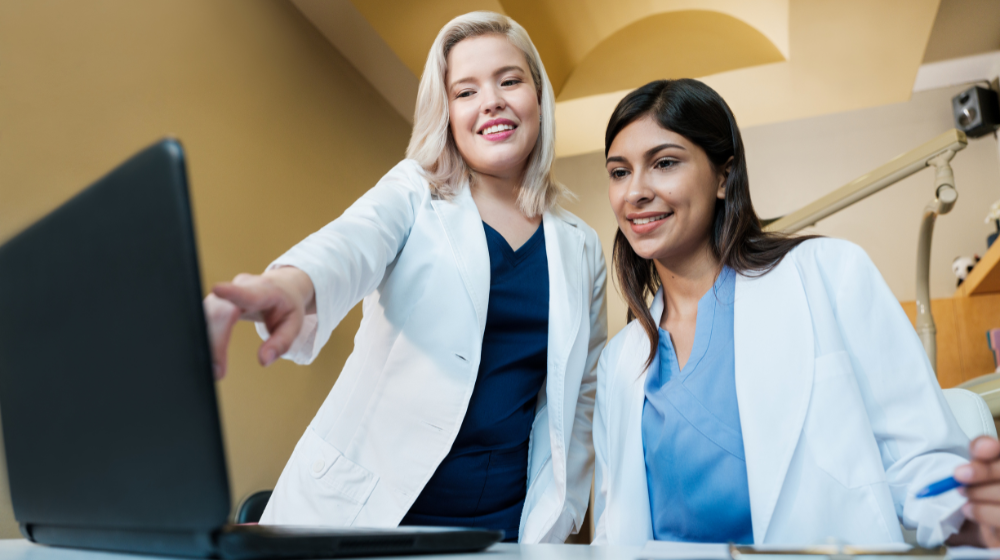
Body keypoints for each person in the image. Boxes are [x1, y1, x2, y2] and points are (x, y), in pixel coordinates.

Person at [203, 12, 607, 543]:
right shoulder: (416, 191)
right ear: (447, 112)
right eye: (465, 91)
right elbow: (352, 241)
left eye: (510, 80)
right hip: (366, 515)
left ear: (538, 96)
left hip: (499, 529)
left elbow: (581, 395)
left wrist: (564, 512)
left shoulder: (581, 246)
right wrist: (289, 286)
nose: (491, 101)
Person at [590, 78, 1000, 547]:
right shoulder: (619, 362)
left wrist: (967, 514)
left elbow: (922, 458)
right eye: (619, 172)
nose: (635, 192)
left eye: (664, 163)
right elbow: (613, 528)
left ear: (724, 177)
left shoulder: (828, 274)